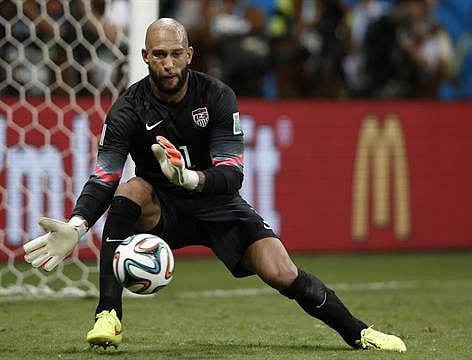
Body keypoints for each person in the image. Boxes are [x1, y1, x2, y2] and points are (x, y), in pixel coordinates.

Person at [22, 18, 406, 353]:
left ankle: (359, 333)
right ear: (144, 56)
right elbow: (104, 175)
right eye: (159, 55)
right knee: (130, 189)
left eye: (175, 53)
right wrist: (77, 224)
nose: (168, 64)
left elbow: (231, 174)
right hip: (162, 208)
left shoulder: (217, 96)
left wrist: (189, 178)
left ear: (190, 54)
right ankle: (108, 315)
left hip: (217, 202)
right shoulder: (128, 108)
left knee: (281, 272)